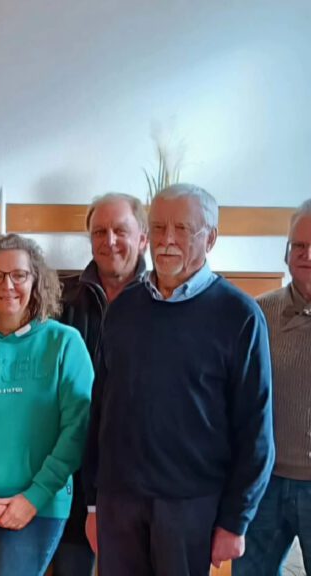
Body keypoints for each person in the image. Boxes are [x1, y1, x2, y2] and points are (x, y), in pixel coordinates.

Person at [83, 184, 275, 576]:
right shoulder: (124, 309)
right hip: (119, 503)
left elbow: (256, 428)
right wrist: (93, 503)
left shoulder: (239, 316)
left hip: (190, 506)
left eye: (183, 228)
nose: (167, 240)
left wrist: (236, 520)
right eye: (158, 227)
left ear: (211, 238)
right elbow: (100, 409)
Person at [0, 233, 94, 576]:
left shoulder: (64, 343)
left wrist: (34, 497)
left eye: (19, 275)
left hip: (39, 505)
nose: (7, 285)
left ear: (36, 281)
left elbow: (78, 428)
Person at [54, 193, 148, 576]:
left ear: (143, 238)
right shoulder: (61, 299)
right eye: (99, 232)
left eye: (121, 231)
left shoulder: (164, 302)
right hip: (74, 473)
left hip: (139, 478)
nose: (110, 241)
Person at [233, 199, 311, 575]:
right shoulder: (258, 313)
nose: (307, 255)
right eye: (299, 245)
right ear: (286, 252)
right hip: (265, 484)